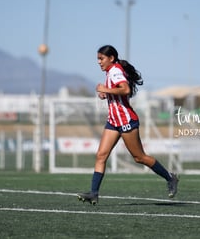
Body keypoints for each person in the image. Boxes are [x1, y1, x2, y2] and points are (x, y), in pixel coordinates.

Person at [77, 45, 179, 205]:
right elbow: (118, 92)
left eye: (101, 58)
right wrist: (106, 93)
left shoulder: (116, 70)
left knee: (139, 157)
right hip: (113, 121)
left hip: (126, 121)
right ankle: (94, 193)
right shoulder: (110, 72)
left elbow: (125, 89)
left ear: (111, 58)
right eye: (97, 58)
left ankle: (170, 177)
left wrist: (105, 89)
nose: (99, 62)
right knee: (101, 155)